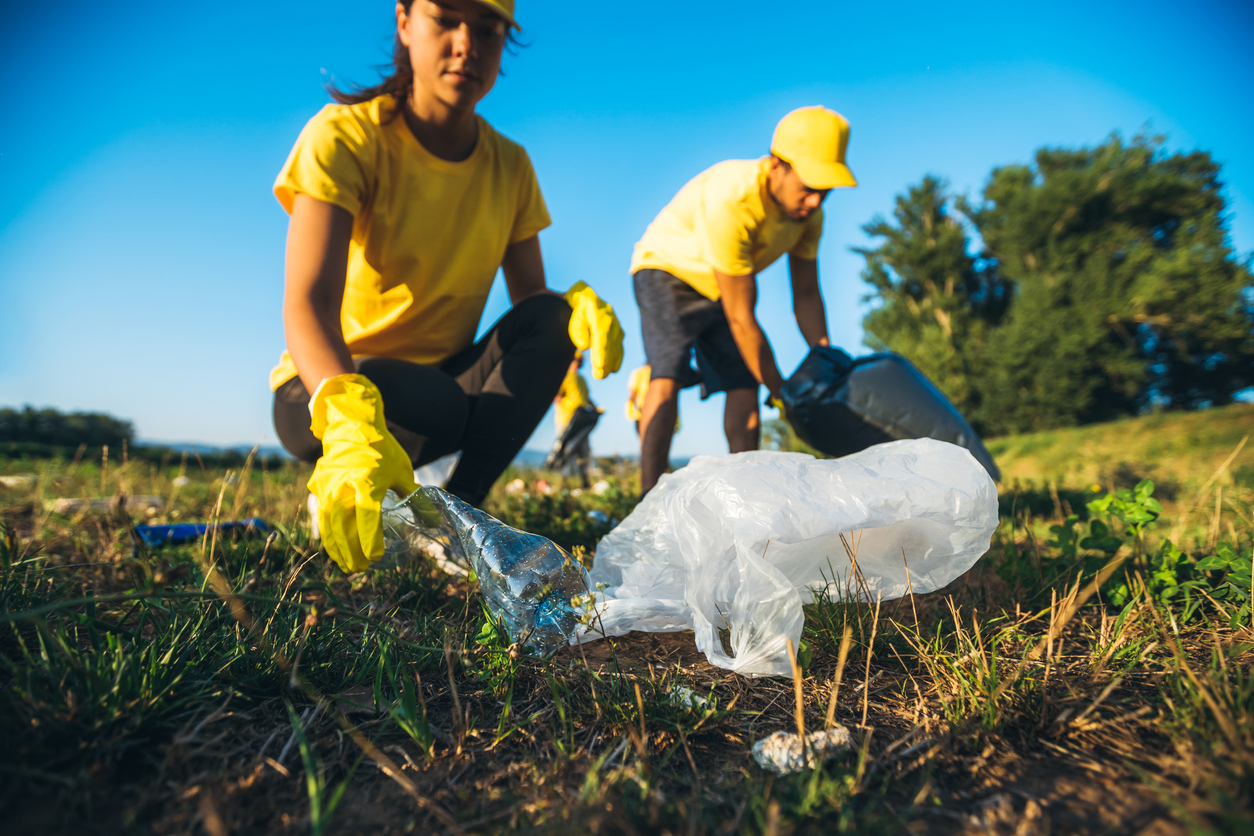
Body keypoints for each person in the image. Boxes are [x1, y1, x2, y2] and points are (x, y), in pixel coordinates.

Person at [269, 0, 622, 573]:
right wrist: (349, 420)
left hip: (442, 393)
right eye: (447, 20)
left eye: (488, 28)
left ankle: (452, 522)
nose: (467, 44)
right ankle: (352, 480)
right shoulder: (345, 136)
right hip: (323, 389)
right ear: (405, 23)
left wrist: (573, 312)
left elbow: (531, 305)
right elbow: (307, 302)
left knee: (552, 320)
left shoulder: (510, 166)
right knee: (433, 399)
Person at [629, 106, 856, 493]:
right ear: (776, 166)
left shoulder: (809, 218)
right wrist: (780, 389)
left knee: (744, 384)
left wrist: (826, 360)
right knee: (667, 373)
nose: (816, 200)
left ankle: (746, 495)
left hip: (722, 284)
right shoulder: (733, 199)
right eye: (809, 186)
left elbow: (805, 295)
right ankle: (647, 501)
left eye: (825, 189)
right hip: (668, 269)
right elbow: (741, 317)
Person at [545, 353, 602, 487]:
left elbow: (586, 397)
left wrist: (595, 408)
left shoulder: (581, 379)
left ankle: (585, 482)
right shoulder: (563, 376)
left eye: (581, 360)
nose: (579, 362)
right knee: (565, 450)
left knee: (584, 450)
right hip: (566, 419)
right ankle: (563, 483)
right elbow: (556, 395)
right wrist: (567, 403)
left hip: (581, 419)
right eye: (577, 359)